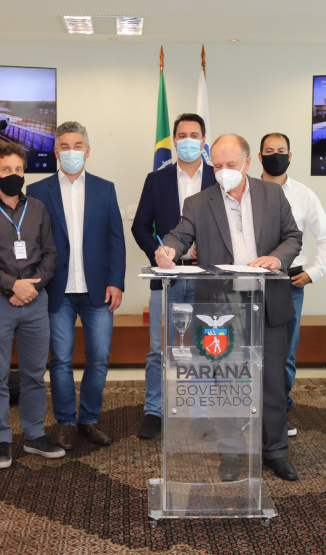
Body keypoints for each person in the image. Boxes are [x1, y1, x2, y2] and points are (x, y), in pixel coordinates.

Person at [155, 134, 303, 481]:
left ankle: (275, 451)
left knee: (272, 381)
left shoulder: (272, 193)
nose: (224, 171)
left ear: (247, 162)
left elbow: (293, 236)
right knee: (227, 383)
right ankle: (232, 453)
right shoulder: (198, 202)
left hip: (267, 301)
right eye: (218, 165)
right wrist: (168, 250)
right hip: (221, 307)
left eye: (231, 165)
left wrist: (276, 258)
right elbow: (180, 235)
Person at [0, 141, 64, 469]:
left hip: (35, 301)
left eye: (18, 169)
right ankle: (1, 440)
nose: (13, 175)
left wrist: (32, 287)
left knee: (35, 374)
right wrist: (13, 285)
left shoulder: (37, 208)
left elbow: (50, 253)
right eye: (6, 169)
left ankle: (34, 435)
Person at [27, 121, 126, 451]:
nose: (72, 151)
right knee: (60, 360)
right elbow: (34, 242)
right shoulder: (38, 191)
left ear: (88, 150)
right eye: (65, 146)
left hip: (98, 290)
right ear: (56, 152)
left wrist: (116, 282)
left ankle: (89, 420)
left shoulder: (105, 189)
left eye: (78, 145)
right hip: (57, 291)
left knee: (99, 358)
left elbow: (115, 240)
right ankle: (66, 422)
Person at [131, 113, 217, 439]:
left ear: (204, 141)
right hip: (166, 278)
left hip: (207, 278)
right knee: (158, 349)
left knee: (202, 347)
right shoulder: (157, 180)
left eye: (194, 135)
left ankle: (200, 412)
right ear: (174, 140)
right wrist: (158, 253)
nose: (188, 141)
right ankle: (154, 410)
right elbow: (140, 226)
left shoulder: (218, 178)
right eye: (182, 135)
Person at [258, 132, 326, 436]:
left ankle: (280, 411)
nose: (275, 155)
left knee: (285, 354)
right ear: (259, 157)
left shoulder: (304, 194)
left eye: (281, 150)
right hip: (250, 283)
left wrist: (313, 272)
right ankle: (251, 409)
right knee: (250, 349)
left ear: (290, 156)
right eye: (269, 151)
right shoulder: (245, 191)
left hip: (288, 283)